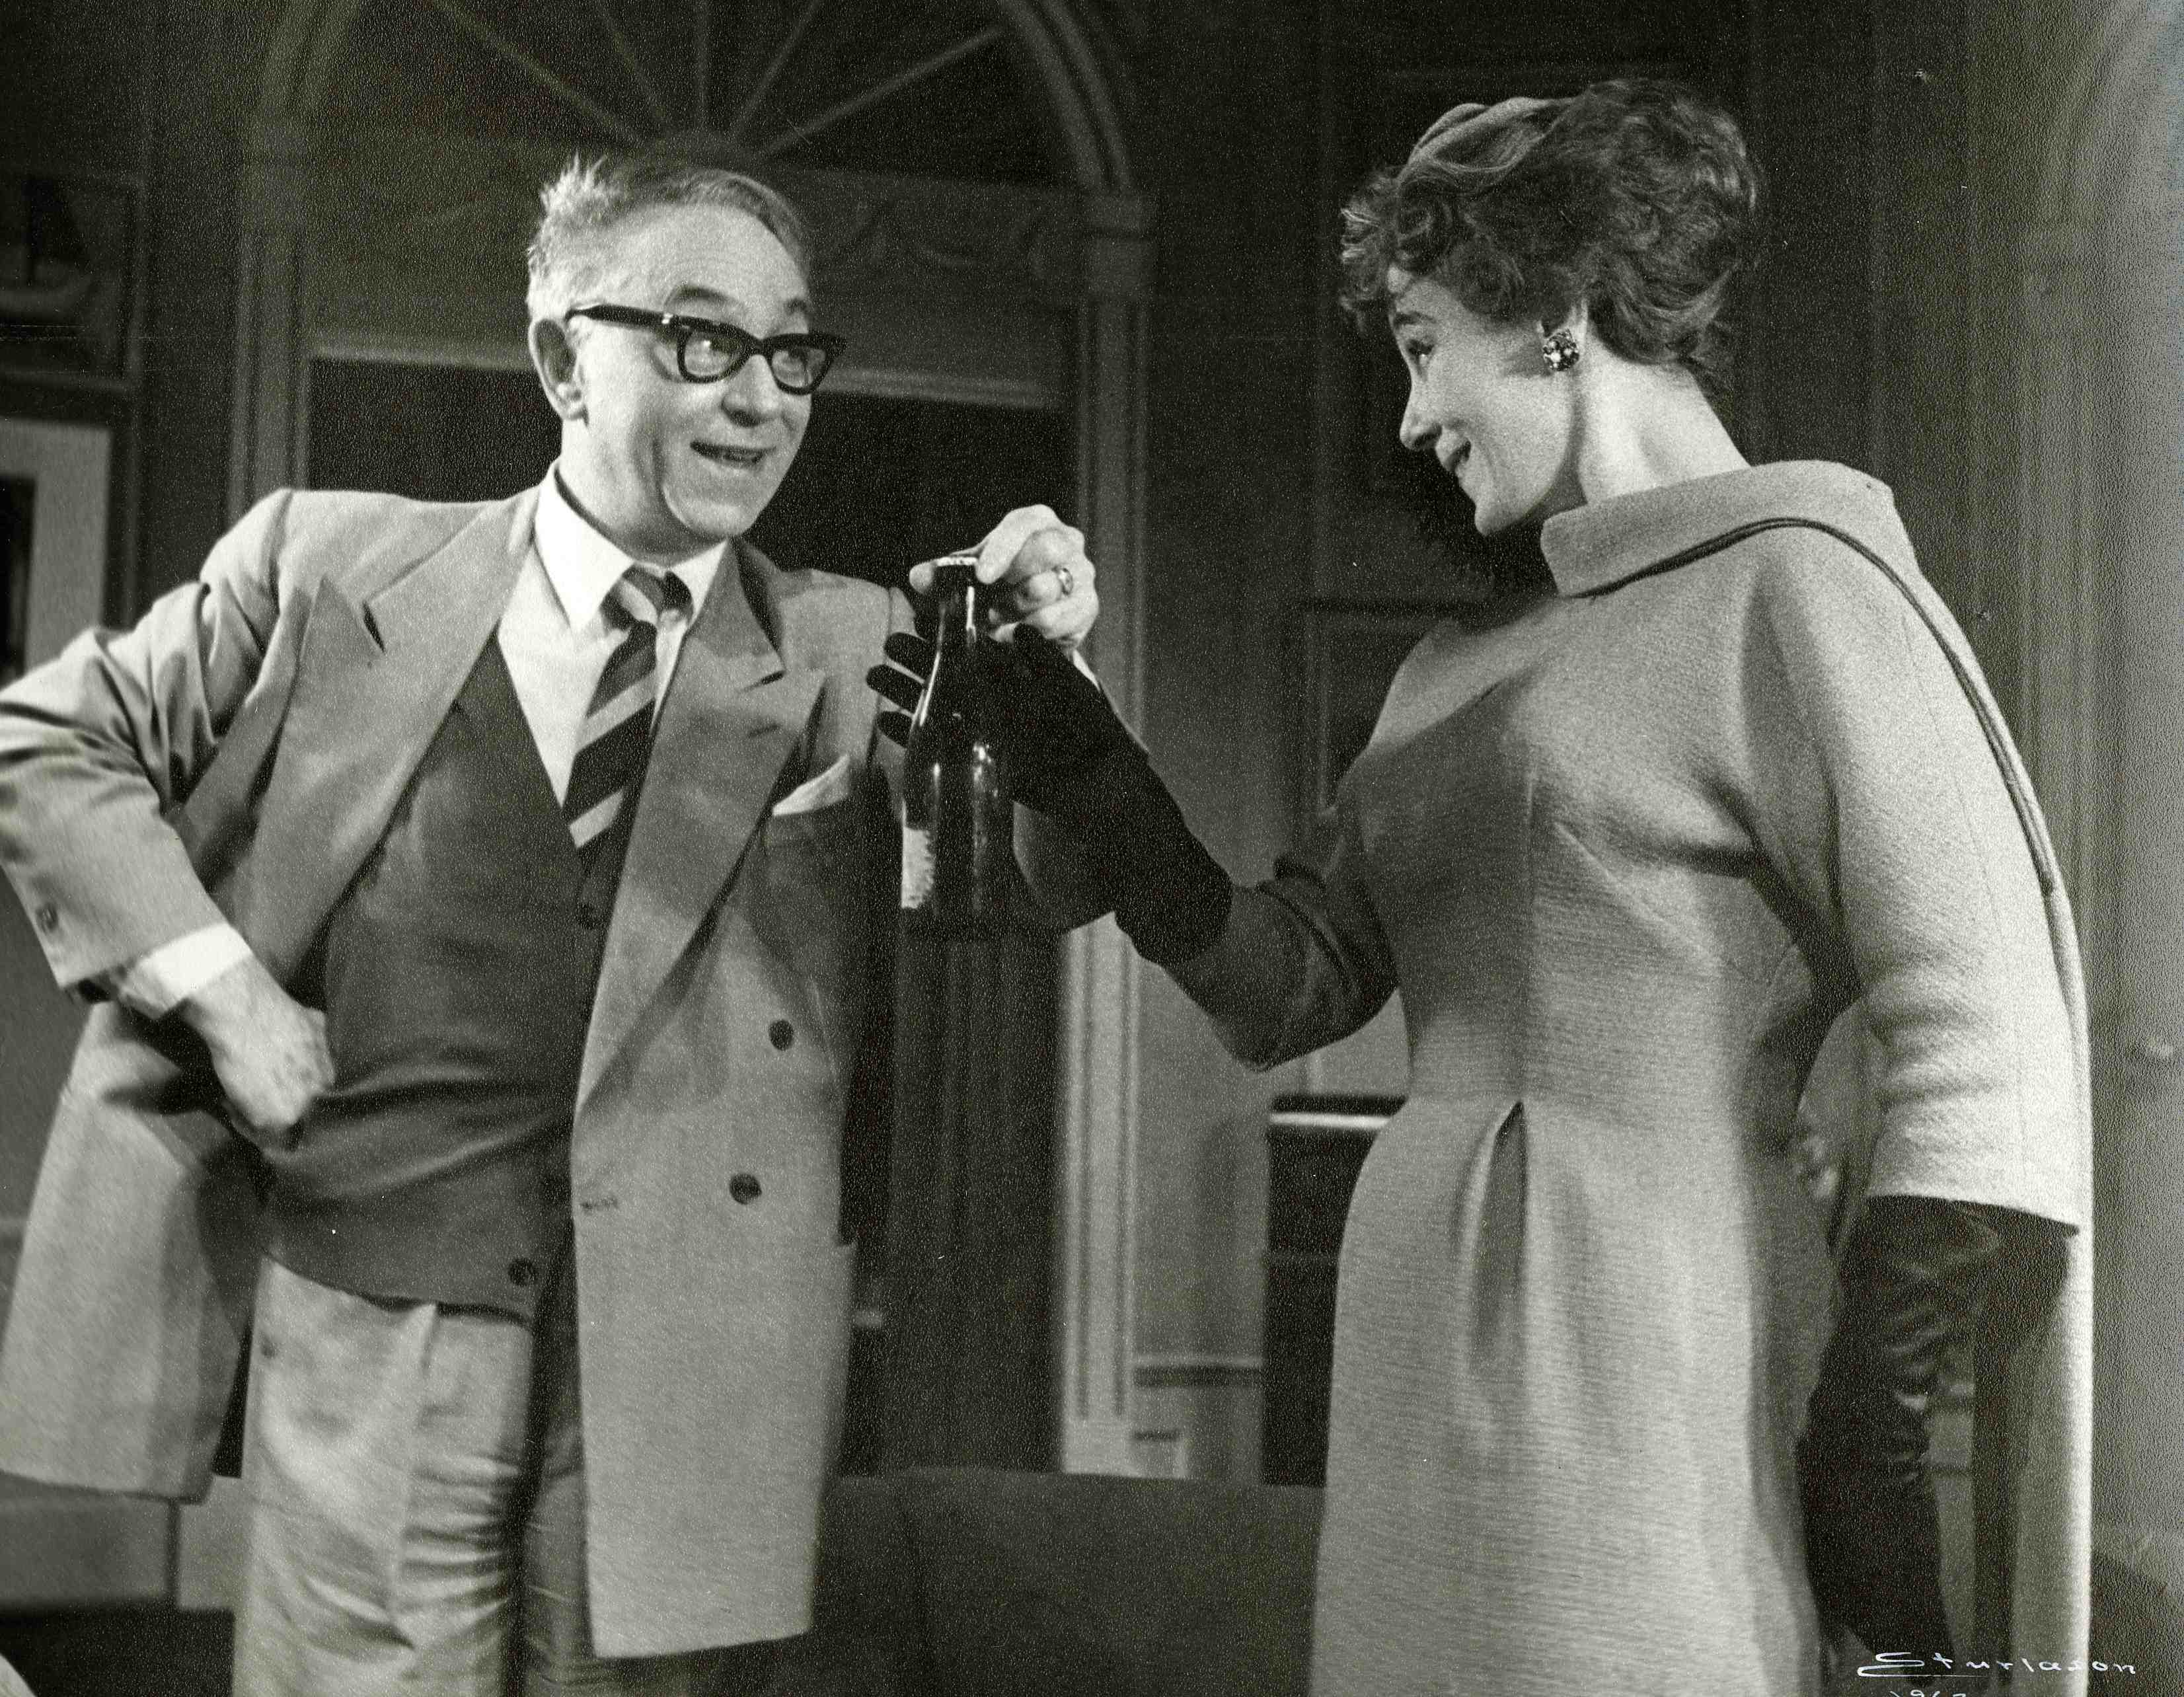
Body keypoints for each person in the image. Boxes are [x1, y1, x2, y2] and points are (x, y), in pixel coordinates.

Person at [873, 79, 2092, 1696]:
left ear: (1557, 313)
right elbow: (1278, 985)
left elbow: (1989, 1020)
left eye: (1424, 344)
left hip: (1657, 1343)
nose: (1408, 418)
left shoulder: (1803, 583)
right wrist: (1080, 748)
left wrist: (1869, 1426)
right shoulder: (1453, 670)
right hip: (1417, 1347)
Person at [0, 153, 1098, 1696]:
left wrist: (1048, 673)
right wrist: (223, 992)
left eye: (792, 352)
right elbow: (47, 739)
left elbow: (1050, 882)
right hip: (377, 1322)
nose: (760, 398)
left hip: (688, 1365)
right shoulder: (324, 568)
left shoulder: (857, 640)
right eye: (702, 340)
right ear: (561, 359)